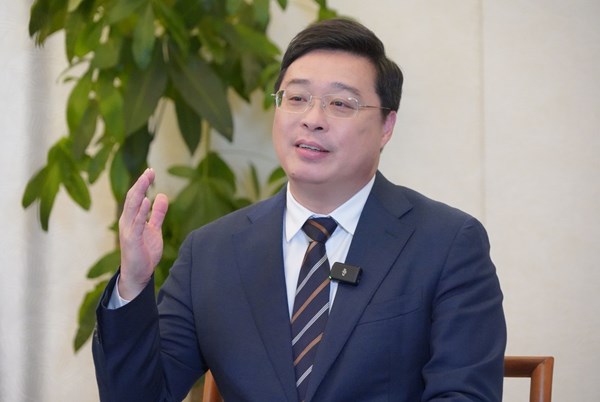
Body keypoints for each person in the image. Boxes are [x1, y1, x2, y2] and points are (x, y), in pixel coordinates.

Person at [92, 17, 506, 401]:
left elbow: (464, 394)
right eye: (297, 97)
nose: (312, 118)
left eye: (340, 104)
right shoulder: (212, 253)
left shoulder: (447, 244)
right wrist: (133, 281)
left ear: (386, 127)